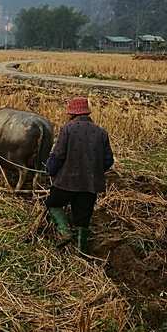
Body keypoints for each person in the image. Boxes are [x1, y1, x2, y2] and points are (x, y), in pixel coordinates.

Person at [45, 97, 114, 253]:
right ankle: (81, 252)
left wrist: (50, 170)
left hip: (66, 182)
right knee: (83, 220)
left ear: (72, 114)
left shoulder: (68, 129)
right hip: (90, 185)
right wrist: (93, 171)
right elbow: (109, 160)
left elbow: (58, 155)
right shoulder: (101, 132)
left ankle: (65, 232)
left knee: (53, 204)